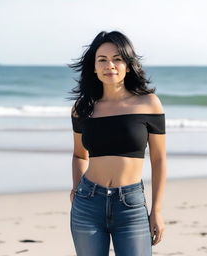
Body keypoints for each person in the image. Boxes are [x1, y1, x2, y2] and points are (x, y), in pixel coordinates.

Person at [68, 30, 166, 256]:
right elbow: (79, 155)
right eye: (102, 60)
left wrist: (157, 210)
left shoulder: (148, 103)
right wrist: (76, 189)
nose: (109, 65)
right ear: (94, 67)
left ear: (128, 65)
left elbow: (159, 159)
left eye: (117, 59)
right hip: (87, 203)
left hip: (130, 205)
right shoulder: (82, 108)